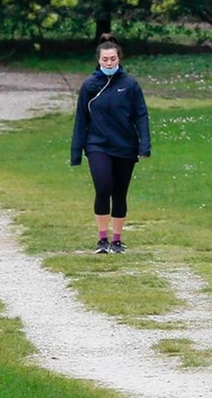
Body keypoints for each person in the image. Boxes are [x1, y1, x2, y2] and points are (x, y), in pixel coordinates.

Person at [70, 33, 151, 255]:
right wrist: (76, 152)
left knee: (120, 192)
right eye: (105, 59)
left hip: (125, 146)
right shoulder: (90, 85)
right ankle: (102, 238)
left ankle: (117, 240)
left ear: (119, 59)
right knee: (103, 186)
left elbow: (141, 115)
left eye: (112, 59)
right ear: (98, 59)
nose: (109, 63)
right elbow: (81, 119)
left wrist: (145, 145)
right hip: (97, 145)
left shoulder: (130, 85)